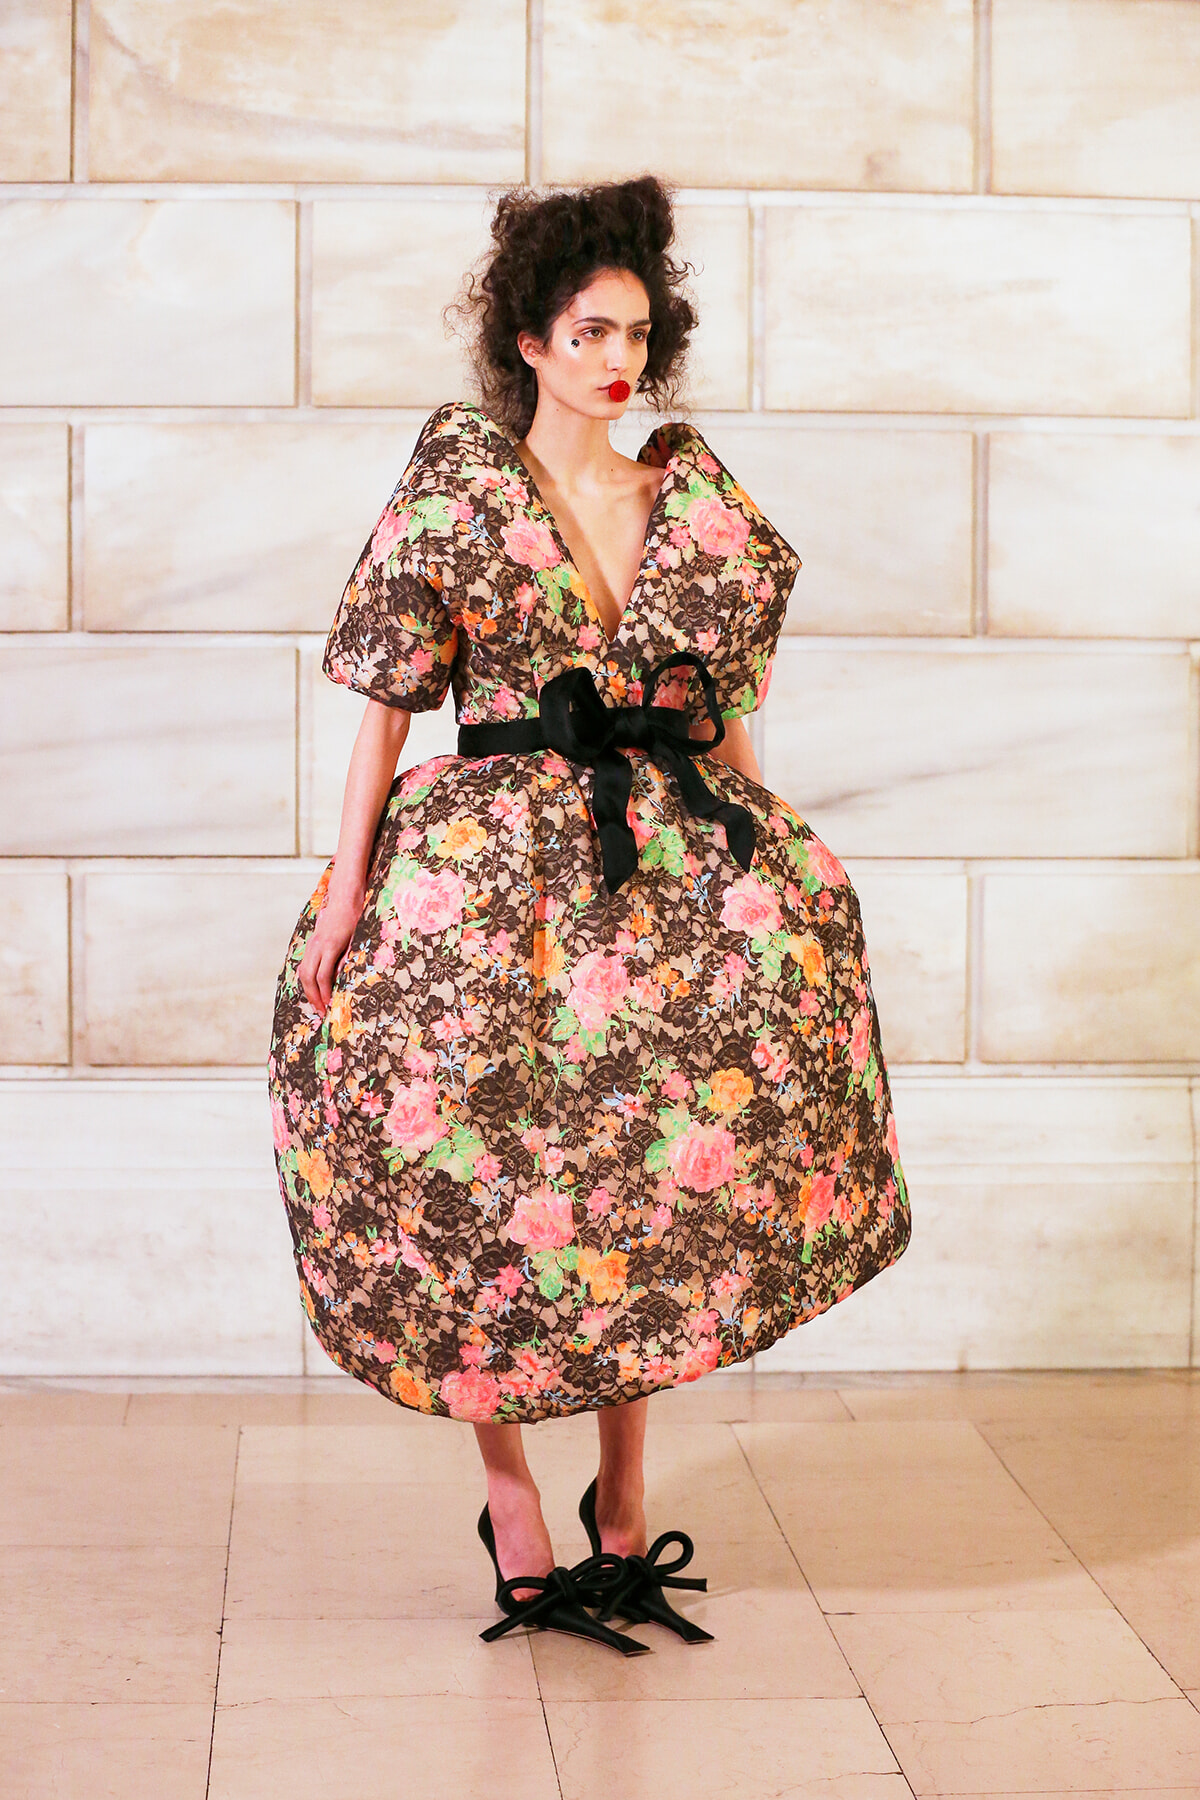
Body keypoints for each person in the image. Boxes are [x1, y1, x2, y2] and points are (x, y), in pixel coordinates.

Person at [267, 174, 910, 1653]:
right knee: (464, 1162)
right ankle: (509, 1500)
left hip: (665, 864)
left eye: (637, 331)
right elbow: (382, 708)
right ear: (531, 340)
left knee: (641, 1170)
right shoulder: (458, 493)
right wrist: (347, 888)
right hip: (483, 877)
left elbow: (721, 716)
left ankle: (623, 1502)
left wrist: (787, 850)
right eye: (588, 329)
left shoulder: (692, 504)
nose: (619, 359)